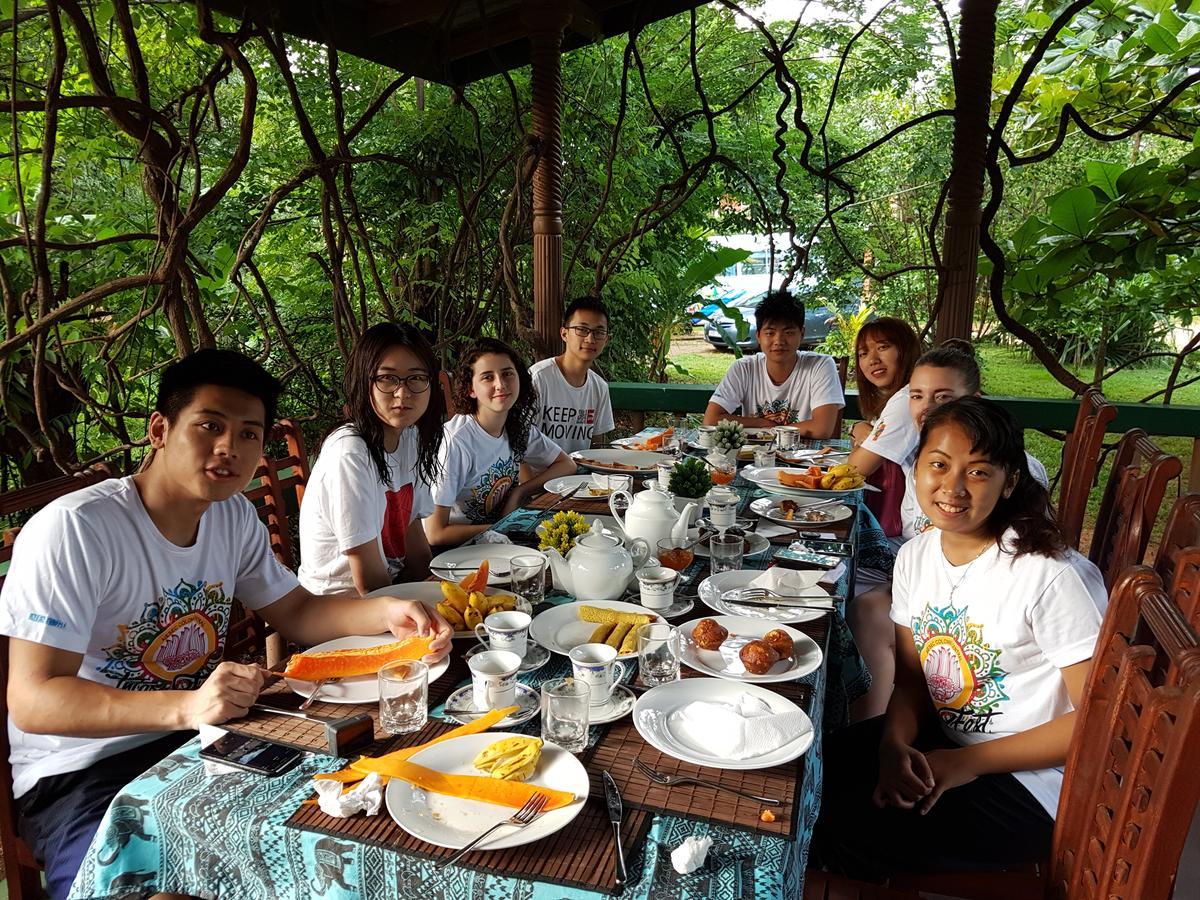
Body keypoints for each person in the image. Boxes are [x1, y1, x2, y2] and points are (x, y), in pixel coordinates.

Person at [0, 350, 453, 900]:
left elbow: (300, 613)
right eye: (210, 426)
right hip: (84, 772)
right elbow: (34, 700)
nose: (228, 449)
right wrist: (187, 706)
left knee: (352, 817)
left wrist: (388, 612)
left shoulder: (231, 515)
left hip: (205, 738)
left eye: (248, 434)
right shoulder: (76, 530)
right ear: (160, 430)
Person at [815, 397, 1106, 880]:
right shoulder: (916, 557)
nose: (952, 487)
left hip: (1033, 779)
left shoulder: (1049, 577)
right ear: (916, 467)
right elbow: (911, 681)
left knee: (844, 829)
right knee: (806, 773)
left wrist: (963, 762)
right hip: (948, 740)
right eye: (938, 465)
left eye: (977, 472)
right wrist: (893, 743)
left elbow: (1095, 723)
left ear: (1009, 481)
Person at [849, 341, 1051, 721]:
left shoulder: (1010, 473)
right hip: (932, 581)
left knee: (866, 604)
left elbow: (1024, 564)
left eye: (943, 397)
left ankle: (885, 722)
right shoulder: (922, 464)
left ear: (975, 399)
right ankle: (873, 724)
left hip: (987, 601)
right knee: (856, 599)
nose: (927, 408)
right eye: (917, 396)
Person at [299, 323, 443, 594]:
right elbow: (368, 583)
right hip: (338, 607)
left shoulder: (410, 436)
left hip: (393, 589)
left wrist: (443, 594)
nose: (403, 393)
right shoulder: (350, 453)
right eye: (387, 379)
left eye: (416, 378)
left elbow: (414, 537)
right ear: (364, 382)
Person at [424, 338, 577, 547]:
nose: (501, 384)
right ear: (471, 389)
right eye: (488, 377)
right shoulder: (457, 442)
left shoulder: (517, 427)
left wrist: (520, 491)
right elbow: (434, 533)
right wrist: (500, 527)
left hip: (501, 541)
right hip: (457, 553)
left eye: (507, 374)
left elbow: (567, 465)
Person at [703, 291, 844, 436]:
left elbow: (822, 429)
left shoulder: (820, 365)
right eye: (770, 333)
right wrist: (762, 423)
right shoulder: (744, 368)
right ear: (758, 336)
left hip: (805, 456)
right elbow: (711, 420)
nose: (779, 341)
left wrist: (770, 430)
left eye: (788, 332)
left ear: (801, 334)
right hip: (754, 455)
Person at [847, 317, 922, 539]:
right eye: (863, 354)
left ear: (905, 349)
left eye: (883, 347)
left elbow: (855, 469)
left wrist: (859, 431)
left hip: (918, 534)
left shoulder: (909, 399)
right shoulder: (902, 397)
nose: (873, 360)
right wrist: (858, 426)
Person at [529, 296, 615, 453]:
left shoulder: (599, 387)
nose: (590, 338)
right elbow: (518, 444)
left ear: (606, 339)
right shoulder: (539, 378)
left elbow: (596, 449)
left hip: (578, 476)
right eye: (582, 330)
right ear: (564, 334)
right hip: (540, 476)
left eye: (598, 332)